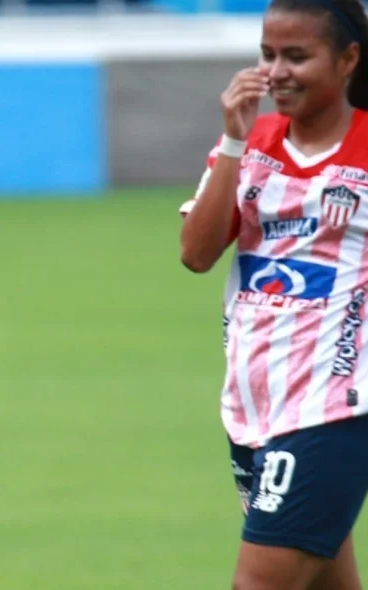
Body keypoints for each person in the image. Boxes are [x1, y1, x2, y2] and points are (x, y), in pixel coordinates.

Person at [179, 0, 368, 587]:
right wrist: (234, 144)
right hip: (252, 406)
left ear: (347, 60)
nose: (277, 71)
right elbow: (197, 253)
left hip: (334, 406)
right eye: (267, 55)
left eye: (297, 56)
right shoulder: (252, 142)